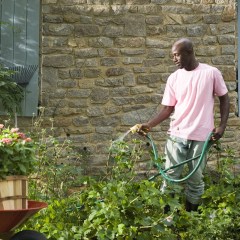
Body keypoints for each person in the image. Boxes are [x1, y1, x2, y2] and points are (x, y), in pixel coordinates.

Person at [139, 38, 230, 211]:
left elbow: (224, 98)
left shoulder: (211, 73)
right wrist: (149, 125)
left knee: (195, 180)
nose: (174, 59)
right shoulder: (174, 78)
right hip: (177, 135)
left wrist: (222, 126)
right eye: (172, 55)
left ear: (189, 52)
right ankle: (168, 220)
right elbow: (168, 109)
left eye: (176, 55)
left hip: (201, 136)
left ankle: (191, 219)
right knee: (170, 177)